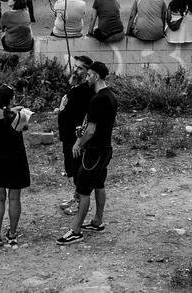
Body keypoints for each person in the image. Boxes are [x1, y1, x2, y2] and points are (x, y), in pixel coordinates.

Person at [57, 60, 117, 245]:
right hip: (106, 148)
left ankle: (76, 230)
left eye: (90, 75)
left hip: (94, 151)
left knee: (83, 190)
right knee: (99, 184)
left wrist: (78, 144)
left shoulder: (97, 99)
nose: (87, 78)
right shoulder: (110, 96)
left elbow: (91, 129)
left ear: (96, 76)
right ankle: (97, 221)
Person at [0, 83, 31, 248]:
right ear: (11, 99)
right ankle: (12, 234)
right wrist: (18, 112)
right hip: (16, 160)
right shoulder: (18, 117)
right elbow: (24, 126)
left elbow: (1, 114)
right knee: (15, 198)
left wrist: (10, 109)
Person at [56, 57, 95, 216]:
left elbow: (81, 116)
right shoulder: (75, 88)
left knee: (79, 171)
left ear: (87, 73)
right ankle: (76, 196)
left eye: (80, 69)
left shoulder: (85, 91)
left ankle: (81, 203)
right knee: (72, 169)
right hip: (67, 137)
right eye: (75, 67)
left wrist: (64, 108)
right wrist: (62, 108)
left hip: (76, 139)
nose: (75, 70)